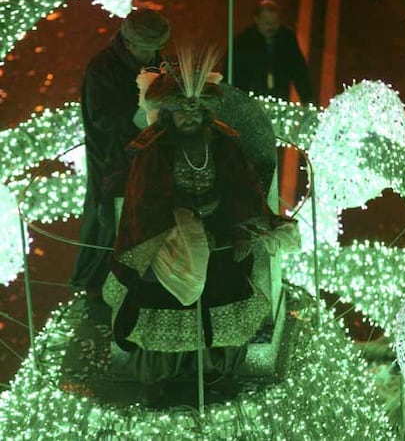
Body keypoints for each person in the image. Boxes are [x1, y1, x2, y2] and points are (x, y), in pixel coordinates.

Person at [101, 49, 300, 405]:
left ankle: (213, 374)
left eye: (197, 112)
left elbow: (242, 188)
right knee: (162, 303)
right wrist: (168, 236)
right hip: (165, 240)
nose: (190, 118)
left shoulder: (223, 143)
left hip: (216, 235)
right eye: (182, 113)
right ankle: (165, 376)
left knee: (223, 295)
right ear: (169, 116)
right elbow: (141, 203)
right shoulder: (153, 150)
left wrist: (245, 228)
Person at [70, 8, 171, 299]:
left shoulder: (154, 61)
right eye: (147, 49)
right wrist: (138, 115)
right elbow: (102, 118)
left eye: (156, 49)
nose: (152, 55)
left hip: (148, 150)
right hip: (111, 156)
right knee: (108, 218)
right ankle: (97, 280)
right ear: (129, 44)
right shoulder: (102, 69)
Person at [227, 0, 313, 103]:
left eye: (275, 23)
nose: (271, 27)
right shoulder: (244, 42)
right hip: (250, 99)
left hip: (279, 97)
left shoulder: (286, 40)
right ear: (257, 19)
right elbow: (233, 72)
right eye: (267, 23)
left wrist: (308, 101)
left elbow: (299, 72)